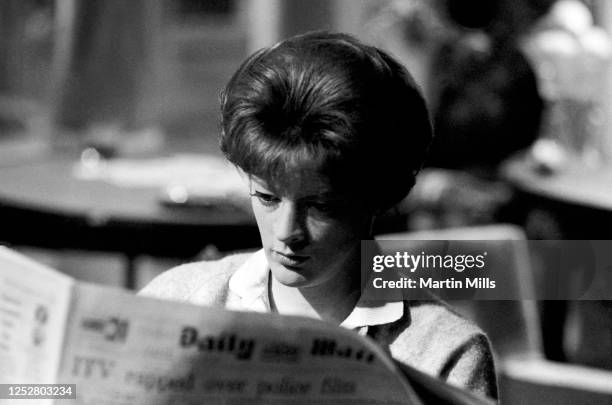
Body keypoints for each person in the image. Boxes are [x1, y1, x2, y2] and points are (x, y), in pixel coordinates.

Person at [140, 31, 497, 400]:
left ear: (377, 196)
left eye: (320, 206)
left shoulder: (443, 353)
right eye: (266, 197)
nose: (287, 231)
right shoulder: (175, 300)